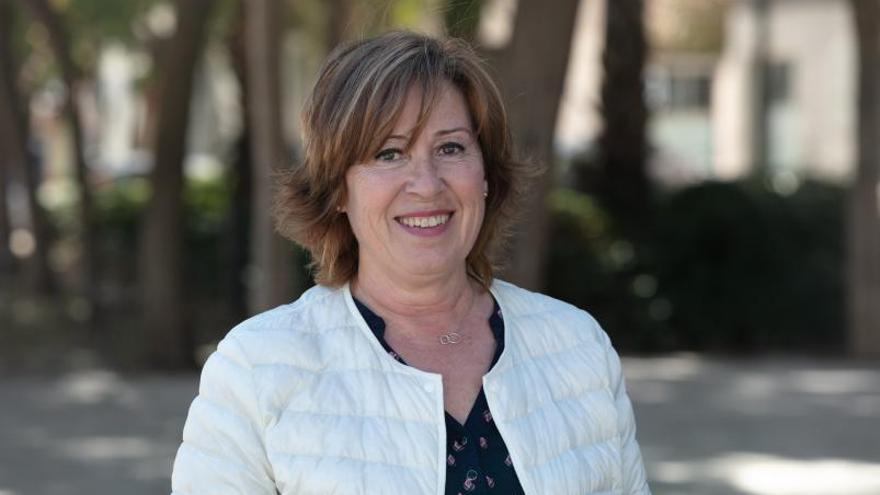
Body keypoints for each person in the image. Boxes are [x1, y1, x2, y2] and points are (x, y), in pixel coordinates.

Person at [171, 31, 650, 495]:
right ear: (338, 188)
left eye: (450, 148)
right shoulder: (257, 368)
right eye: (389, 153)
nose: (426, 183)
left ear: (486, 174)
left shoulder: (577, 346)